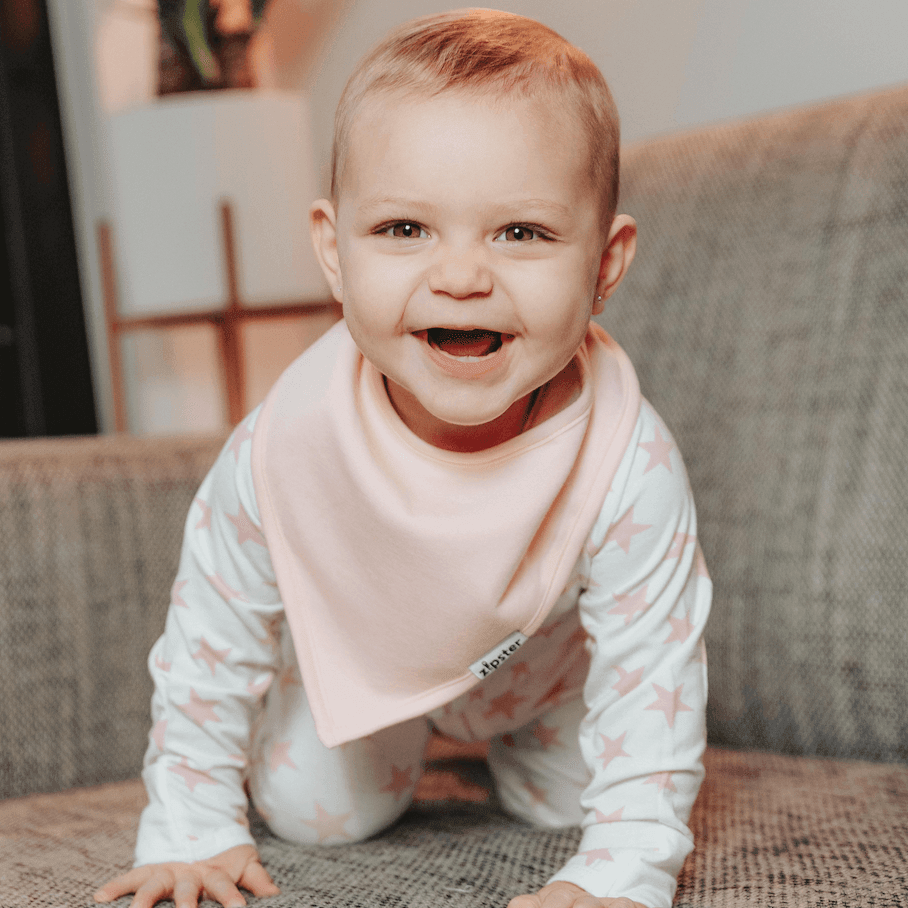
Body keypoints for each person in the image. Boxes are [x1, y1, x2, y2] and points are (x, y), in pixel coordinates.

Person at [94, 9, 711, 908]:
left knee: (571, 807)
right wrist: (190, 824)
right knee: (312, 812)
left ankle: (513, 756)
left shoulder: (625, 456)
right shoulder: (287, 444)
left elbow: (654, 669)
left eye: (521, 233)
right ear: (332, 252)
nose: (461, 276)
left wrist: (623, 874)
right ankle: (351, 709)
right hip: (361, 655)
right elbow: (210, 639)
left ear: (606, 263)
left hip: (535, 677)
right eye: (404, 230)